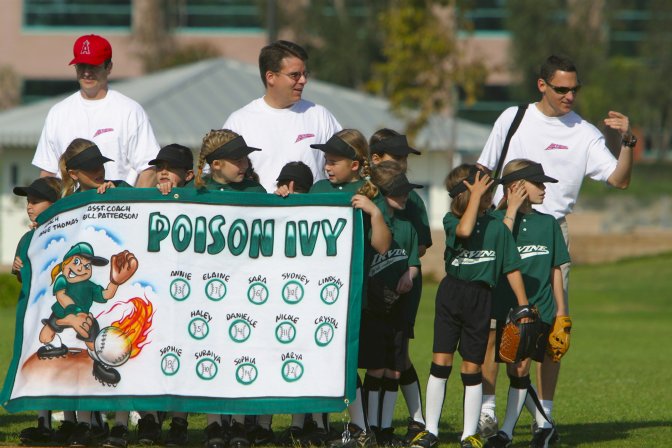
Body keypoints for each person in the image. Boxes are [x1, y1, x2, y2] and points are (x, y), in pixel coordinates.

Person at [476, 54, 634, 444]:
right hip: (505, 226)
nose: (569, 96)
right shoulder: (512, 118)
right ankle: (486, 412)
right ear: (542, 85)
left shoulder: (584, 132)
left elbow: (619, 179)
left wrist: (628, 142)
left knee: (549, 332)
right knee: (496, 327)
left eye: (574, 90)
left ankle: (544, 416)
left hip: (552, 232)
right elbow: (483, 172)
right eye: (561, 89)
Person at [409, 165, 529, 448]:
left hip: (480, 297)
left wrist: (523, 305)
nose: (489, 195)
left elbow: (511, 268)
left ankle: (468, 435)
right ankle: (432, 431)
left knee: (472, 367)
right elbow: (464, 230)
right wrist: (476, 195)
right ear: (469, 195)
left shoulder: (498, 228)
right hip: (452, 293)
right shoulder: (452, 220)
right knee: (441, 362)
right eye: (483, 192)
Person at [305, 129, 392, 448]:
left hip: (354, 294)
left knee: (346, 359)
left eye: (335, 161)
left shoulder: (370, 192)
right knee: (321, 357)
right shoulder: (318, 190)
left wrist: (374, 212)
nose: (327, 166)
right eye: (326, 160)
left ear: (356, 165)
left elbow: (382, 246)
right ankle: (319, 423)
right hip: (314, 292)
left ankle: (359, 426)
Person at [483, 160, 570, 448]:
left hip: (541, 309)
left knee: (519, 370)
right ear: (516, 187)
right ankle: (544, 426)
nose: (544, 189)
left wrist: (562, 313)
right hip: (507, 309)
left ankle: (507, 433)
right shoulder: (495, 222)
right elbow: (497, 254)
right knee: (514, 370)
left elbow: (555, 269)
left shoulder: (548, 223)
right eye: (538, 183)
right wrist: (509, 209)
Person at [188, 129, 265, 448]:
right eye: (237, 159)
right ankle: (214, 424)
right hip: (203, 293)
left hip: (245, 292)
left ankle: (237, 423)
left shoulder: (256, 191)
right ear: (216, 164)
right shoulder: (194, 194)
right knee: (209, 353)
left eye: (246, 157)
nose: (244, 164)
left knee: (240, 352)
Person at [368, 129, 431, 444]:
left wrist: (400, 267)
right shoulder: (368, 199)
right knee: (381, 358)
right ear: (375, 160)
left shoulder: (412, 200)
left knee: (398, 354)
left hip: (403, 289)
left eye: (406, 158)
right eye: (398, 157)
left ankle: (417, 419)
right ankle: (371, 425)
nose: (403, 164)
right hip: (373, 294)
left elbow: (419, 248)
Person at [32, 34, 160, 187]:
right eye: (81, 66)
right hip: (70, 208)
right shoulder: (57, 113)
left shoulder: (130, 111)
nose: (86, 72)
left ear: (109, 67)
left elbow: (149, 169)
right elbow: (47, 173)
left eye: (93, 66)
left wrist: (135, 206)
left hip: (117, 208)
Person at [222, 40, 342, 192]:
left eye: (305, 74)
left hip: (311, 214)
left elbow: (346, 168)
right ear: (271, 77)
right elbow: (217, 177)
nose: (303, 81)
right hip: (258, 214)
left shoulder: (320, 116)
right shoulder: (239, 121)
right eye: (295, 75)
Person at [359, 161, 422, 447]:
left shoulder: (407, 227)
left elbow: (414, 262)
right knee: (375, 367)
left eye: (406, 191)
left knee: (395, 368)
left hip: (398, 306)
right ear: (382, 193)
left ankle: (385, 428)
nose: (405, 196)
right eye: (399, 192)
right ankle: (371, 426)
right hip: (372, 307)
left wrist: (409, 275)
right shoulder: (368, 220)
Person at [12, 176, 64, 446]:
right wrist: (20, 267)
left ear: (55, 203)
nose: (29, 207)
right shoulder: (28, 237)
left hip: (63, 314)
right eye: (27, 201)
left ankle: (79, 421)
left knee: (68, 366)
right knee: (41, 365)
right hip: (37, 317)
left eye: (36, 201)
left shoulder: (71, 232)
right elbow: (25, 279)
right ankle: (43, 422)